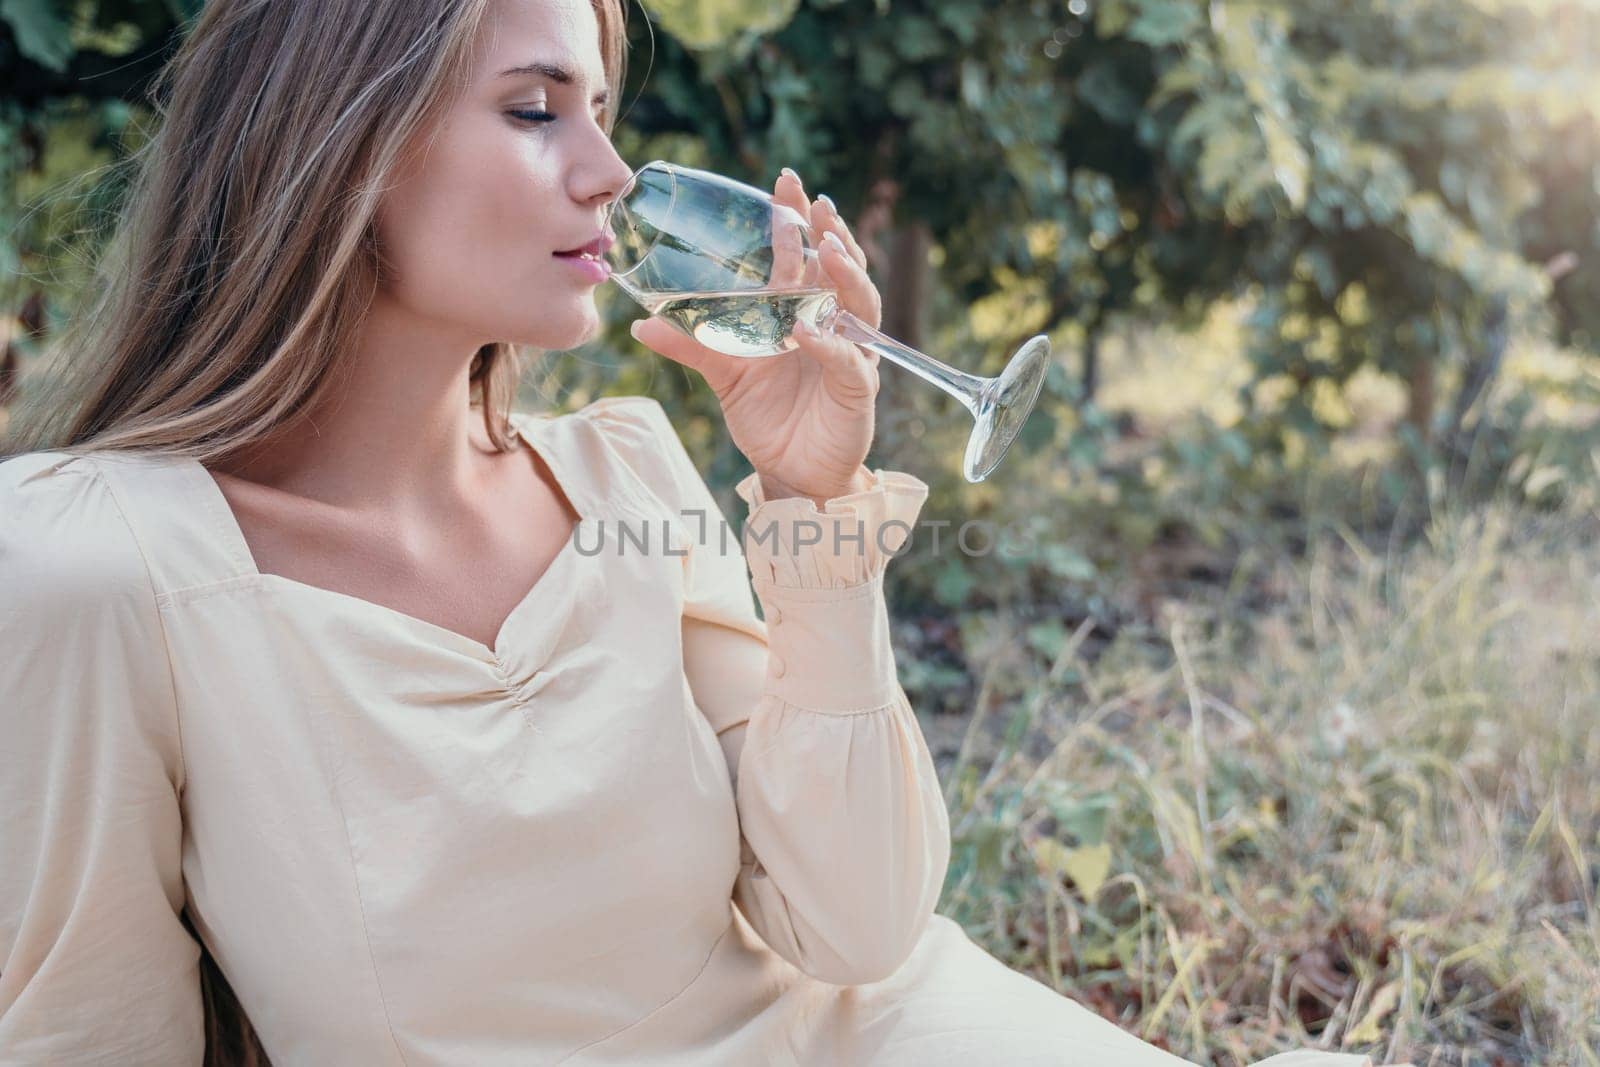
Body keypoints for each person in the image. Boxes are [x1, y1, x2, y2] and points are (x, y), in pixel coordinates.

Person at [0, 1, 1402, 1064]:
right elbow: (86, 1031)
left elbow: (857, 931)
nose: (610, 172)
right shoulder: (98, 560)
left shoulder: (628, 473)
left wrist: (811, 507)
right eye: (539, 109)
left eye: (602, 108)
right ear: (344, 147)